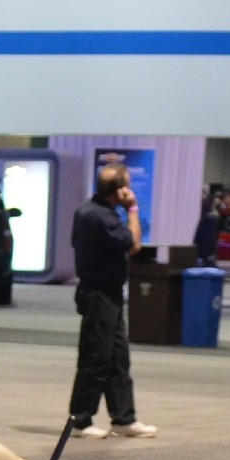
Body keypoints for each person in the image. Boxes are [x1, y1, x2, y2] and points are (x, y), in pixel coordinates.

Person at [68, 163, 157, 440]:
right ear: (119, 190)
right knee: (96, 357)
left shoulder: (85, 211)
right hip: (100, 295)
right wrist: (133, 209)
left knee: (117, 358)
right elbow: (134, 244)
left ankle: (124, 418)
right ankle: (80, 420)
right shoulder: (105, 218)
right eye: (127, 185)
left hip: (104, 293)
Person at [192, 189, 222, 268]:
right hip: (207, 253)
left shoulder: (204, 217)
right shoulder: (212, 219)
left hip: (201, 252)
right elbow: (210, 238)